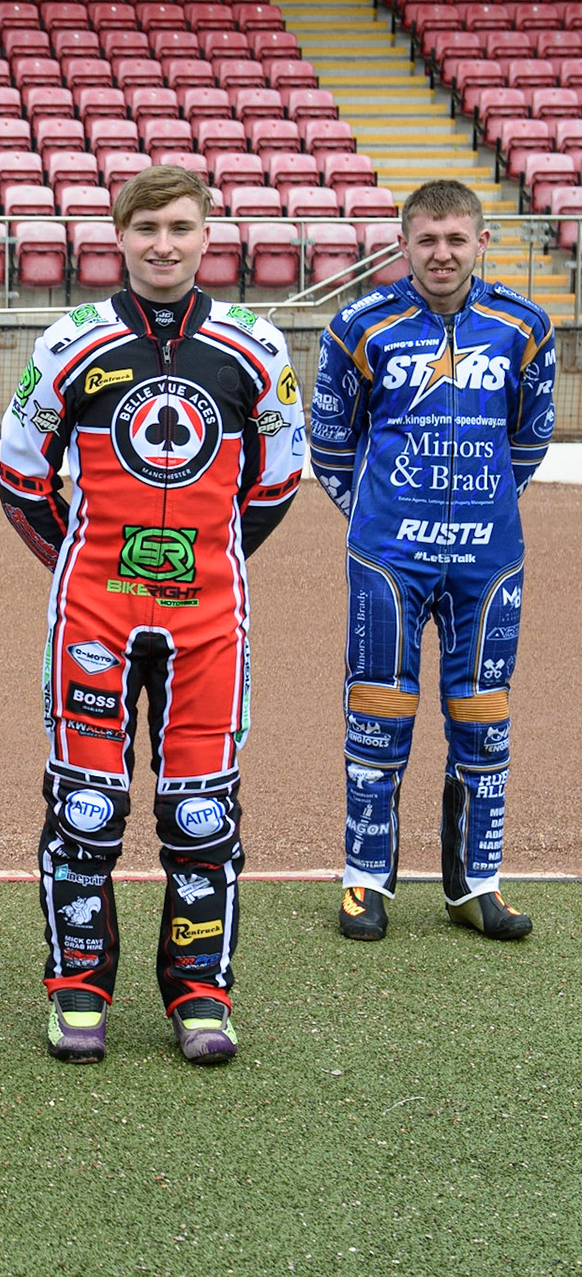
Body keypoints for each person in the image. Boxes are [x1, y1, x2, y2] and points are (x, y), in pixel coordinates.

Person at [0, 165, 304, 1066]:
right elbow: (21, 482)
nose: (162, 244)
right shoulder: (71, 341)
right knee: (87, 808)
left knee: (203, 814)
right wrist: (86, 564)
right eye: (145, 229)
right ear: (118, 237)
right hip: (92, 612)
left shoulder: (258, 347)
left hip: (209, 620)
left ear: (208, 236)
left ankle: (201, 994)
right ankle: (78, 991)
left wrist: (200, 567)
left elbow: (277, 484)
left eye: (179, 227)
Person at [310, 180, 555, 943]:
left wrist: (477, 506)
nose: (441, 253)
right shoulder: (358, 323)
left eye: (456, 239)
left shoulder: (526, 325)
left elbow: (530, 440)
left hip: (489, 560)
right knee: (379, 711)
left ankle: (475, 883)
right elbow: (327, 443)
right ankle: (364, 880)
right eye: (426, 240)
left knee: (483, 717)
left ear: (483, 242)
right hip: (388, 559)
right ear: (404, 245)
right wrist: (384, 517)